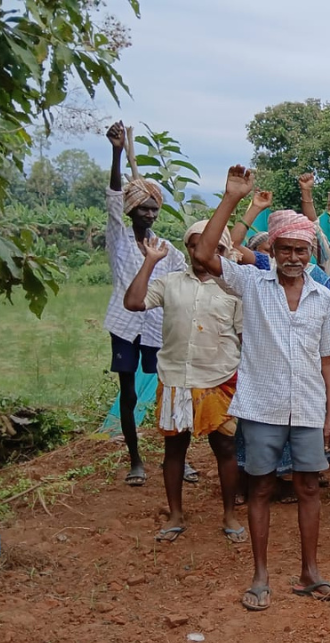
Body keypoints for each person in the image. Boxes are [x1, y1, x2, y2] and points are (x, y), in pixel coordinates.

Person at [193, 166, 330, 611]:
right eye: (286, 249)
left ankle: (310, 571)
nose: (294, 256)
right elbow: (205, 254)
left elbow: (329, 360)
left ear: (311, 252)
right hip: (261, 407)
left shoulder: (322, 297)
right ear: (273, 249)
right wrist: (232, 199)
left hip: (310, 410)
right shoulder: (251, 284)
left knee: (309, 488)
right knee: (259, 488)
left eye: (302, 249)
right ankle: (260, 576)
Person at [122, 221, 245, 544]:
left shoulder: (233, 289)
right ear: (188, 248)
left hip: (219, 380)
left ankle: (230, 514)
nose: (200, 252)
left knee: (226, 448)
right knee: (174, 449)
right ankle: (176, 515)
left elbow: (244, 337)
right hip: (176, 379)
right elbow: (134, 303)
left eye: (214, 247)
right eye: (194, 245)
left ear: (224, 252)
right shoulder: (170, 283)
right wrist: (150, 261)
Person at [104, 121, 188, 487]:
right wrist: (118, 152)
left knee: (170, 389)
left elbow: (187, 275)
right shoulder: (118, 239)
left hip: (158, 328)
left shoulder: (167, 249)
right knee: (128, 391)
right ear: (132, 210)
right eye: (144, 210)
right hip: (123, 324)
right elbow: (112, 197)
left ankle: (178, 460)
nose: (150, 215)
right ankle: (135, 459)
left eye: (155, 210)